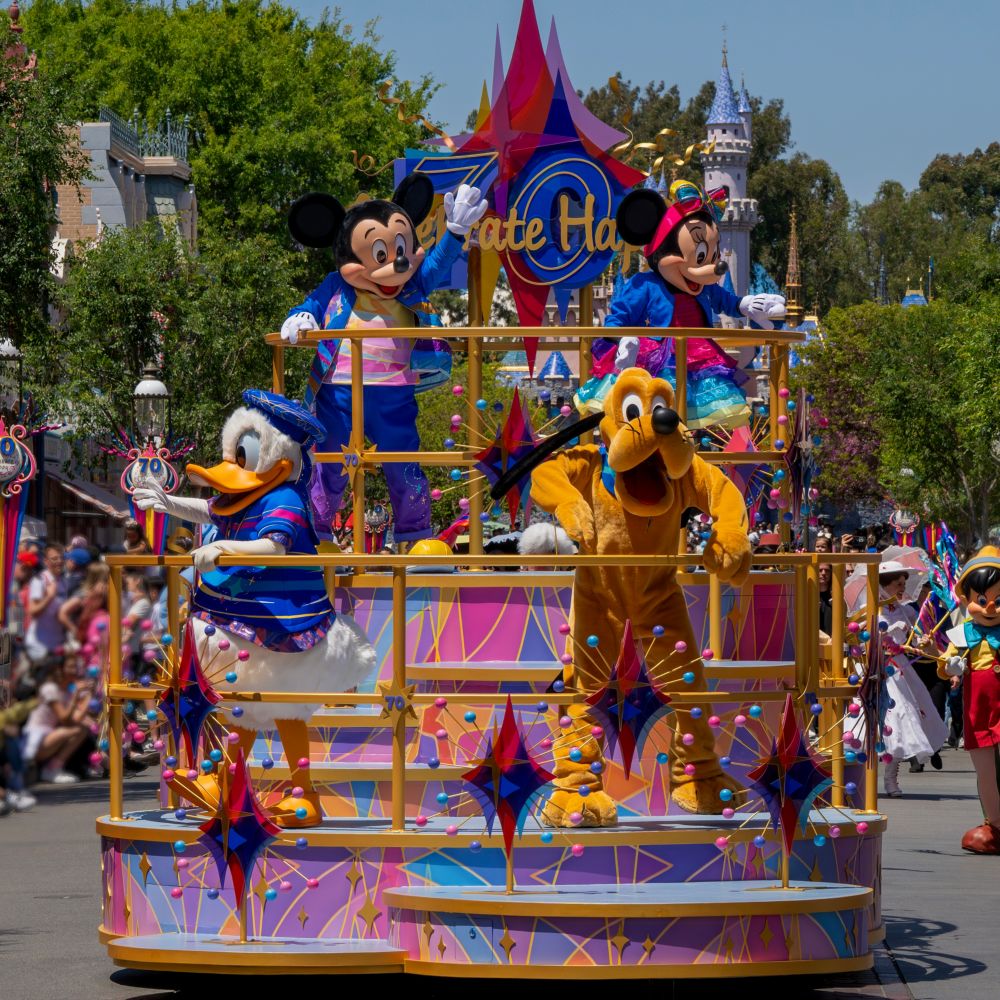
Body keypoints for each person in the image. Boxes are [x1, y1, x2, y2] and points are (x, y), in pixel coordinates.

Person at [872, 562, 948, 797]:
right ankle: (861, 780)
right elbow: (862, 638)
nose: (902, 588)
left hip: (900, 670)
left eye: (904, 584)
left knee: (903, 719)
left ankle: (891, 779)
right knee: (870, 726)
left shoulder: (907, 610)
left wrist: (923, 641)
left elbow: (915, 642)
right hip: (875, 671)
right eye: (898, 584)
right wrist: (885, 631)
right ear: (885, 585)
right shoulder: (870, 608)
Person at [21, 659, 96, 784]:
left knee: (81, 729)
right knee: (78, 730)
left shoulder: (65, 691)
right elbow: (64, 718)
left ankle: (54, 767)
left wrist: (89, 695)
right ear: (60, 669)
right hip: (35, 739)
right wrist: (76, 694)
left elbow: (77, 718)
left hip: (49, 736)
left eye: (76, 668)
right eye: (71, 667)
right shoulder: (49, 689)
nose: (75, 671)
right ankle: (51, 770)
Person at [24, 544, 68, 667]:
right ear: (46, 561)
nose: (59, 561)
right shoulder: (40, 580)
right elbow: (32, 611)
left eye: (61, 558)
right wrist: (49, 597)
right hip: (40, 646)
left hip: (56, 644)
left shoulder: (63, 581)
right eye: (54, 559)